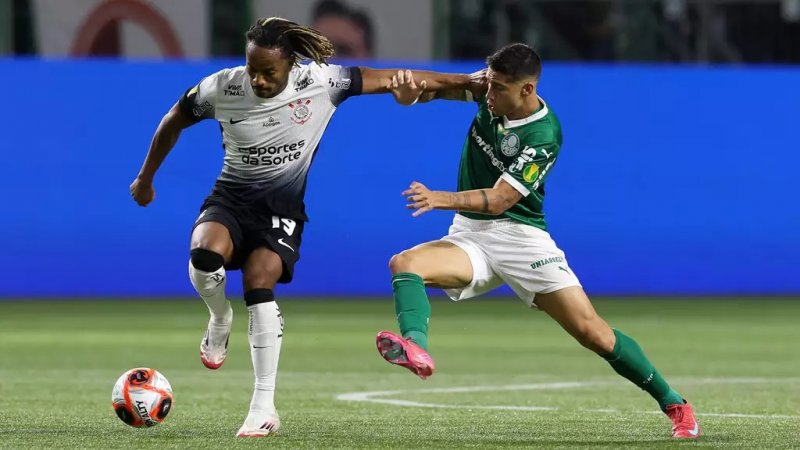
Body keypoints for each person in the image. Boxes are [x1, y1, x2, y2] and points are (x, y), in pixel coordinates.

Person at [129, 17, 475, 437]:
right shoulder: (222, 87)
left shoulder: (323, 82)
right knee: (203, 254)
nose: (258, 79)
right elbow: (174, 119)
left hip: (281, 208)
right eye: (252, 69)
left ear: (291, 64)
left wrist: (468, 83)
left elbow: (393, 78)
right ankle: (219, 318)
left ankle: (263, 407)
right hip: (230, 198)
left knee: (259, 281)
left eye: (268, 71)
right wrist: (146, 178)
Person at [375, 43, 701, 440]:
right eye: (488, 84)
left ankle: (675, 404)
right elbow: (441, 86)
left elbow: (501, 200)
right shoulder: (490, 92)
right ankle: (415, 347)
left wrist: (440, 197)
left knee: (592, 332)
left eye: (498, 88)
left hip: (522, 238)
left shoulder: (543, 134)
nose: (489, 94)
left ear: (527, 89)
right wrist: (411, 94)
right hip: (470, 234)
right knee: (405, 263)